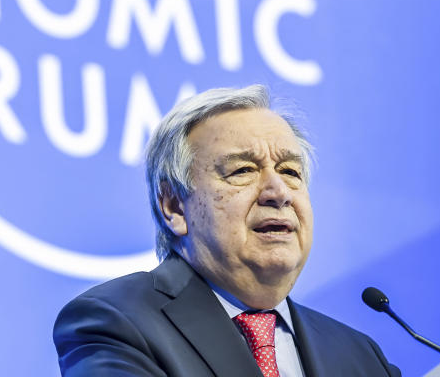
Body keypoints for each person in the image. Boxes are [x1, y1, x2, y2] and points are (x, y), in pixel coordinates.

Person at [53, 85, 400, 376]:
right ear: (174, 207)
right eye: (243, 170)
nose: (278, 192)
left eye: (291, 172)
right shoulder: (115, 321)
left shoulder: (361, 357)